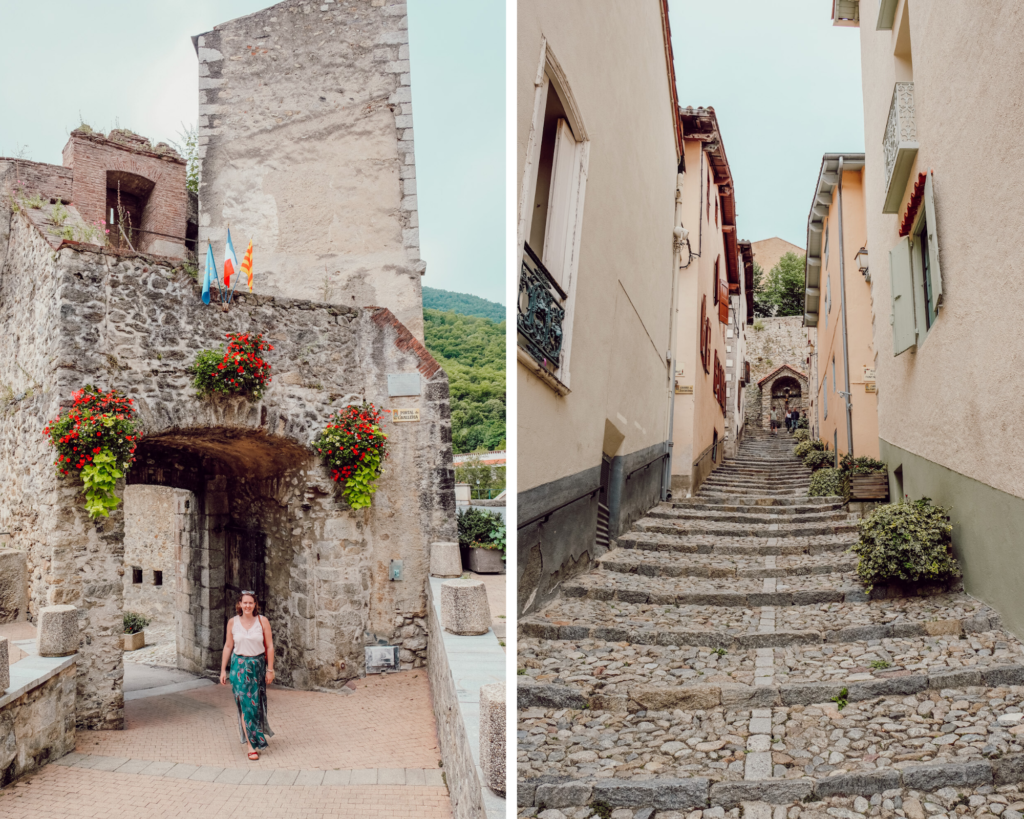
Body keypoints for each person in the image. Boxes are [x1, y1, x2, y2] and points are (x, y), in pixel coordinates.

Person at [220, 590, 275, 760]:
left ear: (255, 605)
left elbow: (270, 646)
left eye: (250, 603)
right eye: (245, 603)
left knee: (256, 704)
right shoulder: (233, 623)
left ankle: (254, 735)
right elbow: (228, 646)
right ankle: (251, 745)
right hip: (240, 668)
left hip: (257, 666)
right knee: (246, 705)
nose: (247, 606)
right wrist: (223, 670)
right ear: (239, 604)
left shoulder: (262, 621)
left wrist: (270, 669)